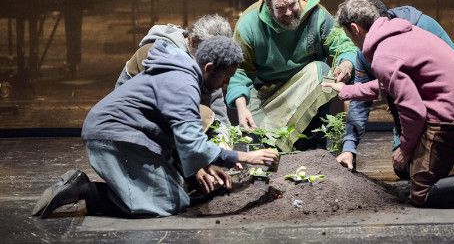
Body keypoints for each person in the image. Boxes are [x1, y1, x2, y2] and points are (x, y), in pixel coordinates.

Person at [32, 36, 278, 218]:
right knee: (168, 203)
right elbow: (191, 143)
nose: (226, 84)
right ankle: (84, 189)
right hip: (112, 136)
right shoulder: (183, 83)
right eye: (226, 76)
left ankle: (105, 190)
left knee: (179, 190)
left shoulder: (183, 74)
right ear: (209, 68)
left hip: (127, 136)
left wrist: (200, 165)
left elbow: (175, 136)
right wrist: (245, 156)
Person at [324, 0, 454, 208]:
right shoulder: (404, 32)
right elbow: (386, 84)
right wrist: (347, 90)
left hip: (452, 111)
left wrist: (405, 149)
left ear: (355, 29)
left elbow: (413, 111)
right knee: (409, 171)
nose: (353, 43)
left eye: (349, 36)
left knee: (421, 193)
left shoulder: (383, 55)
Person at [337, 0, 454, 175]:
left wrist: (406, 148)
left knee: (421, 187)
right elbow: (364, 97)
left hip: (447, 103)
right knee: (403, 170)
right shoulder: (366, 51)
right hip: (409, 103)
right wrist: (349, 146)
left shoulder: (419, 28)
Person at [226, 0, 358, 151]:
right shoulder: (249, 25)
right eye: (281, 8)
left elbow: (343, 44)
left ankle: (310, 145)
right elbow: (239, 70)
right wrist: (241, 107)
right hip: (266, 95)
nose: (289, 13)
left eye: (292, 4)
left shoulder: (317, 15)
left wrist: (346, 63)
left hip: (307, 90)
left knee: (321, 71)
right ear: (268, 6)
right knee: (257, 145)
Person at [114, 15, 233, 134]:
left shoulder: (205, 61)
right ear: (193, 41)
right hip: (128, 121)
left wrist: (224, 135)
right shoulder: (160, 53)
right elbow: (175, 111)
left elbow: (215, 100)